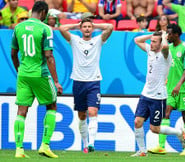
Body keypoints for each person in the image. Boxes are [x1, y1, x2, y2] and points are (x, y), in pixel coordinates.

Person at [11, 1, 63, 158]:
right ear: (43, 13)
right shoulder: (45, 28)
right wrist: (56, 81)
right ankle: (44, 145)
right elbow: (49, 56)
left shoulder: (18, 27)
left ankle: (19, 150)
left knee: (21, 110)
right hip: (40, 73)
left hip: (23, 74)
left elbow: (13, 53)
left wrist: (19, 69)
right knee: (52, 105)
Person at [59, 18, 113, 153]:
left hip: (94, 81)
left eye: (89, 26)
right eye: (85, 27)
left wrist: (95, 25)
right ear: (81, 29)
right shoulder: (75, 40)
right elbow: (61, 29)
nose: (87, 29)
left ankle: (91, 144)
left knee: (93, 112)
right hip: (78, 82)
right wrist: (76, 25)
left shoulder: (98, 40)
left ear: (92, 28)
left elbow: (110, 27)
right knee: (82, 115)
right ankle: (85, 144)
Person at [131, 31, 185, 157]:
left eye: (155, 42)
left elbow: (166, 47)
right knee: (137, 122)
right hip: (145, 94)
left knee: (154, 129)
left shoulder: (165, 55)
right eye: (151, 41)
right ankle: (142, 151)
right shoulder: (150, 51)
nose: (151, 44)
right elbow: (137, 40)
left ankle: (178, 132)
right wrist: (152, 35)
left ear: (161, 43)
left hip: (158, 97)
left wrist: (163, 37)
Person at [149, 24, 185, 156]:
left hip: (184, 88)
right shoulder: (167, 48)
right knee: (166, 114)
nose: (167, 36)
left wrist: (178, 85)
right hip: (169, 88)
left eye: (169, 34)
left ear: (176, 35)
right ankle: (161, 146)